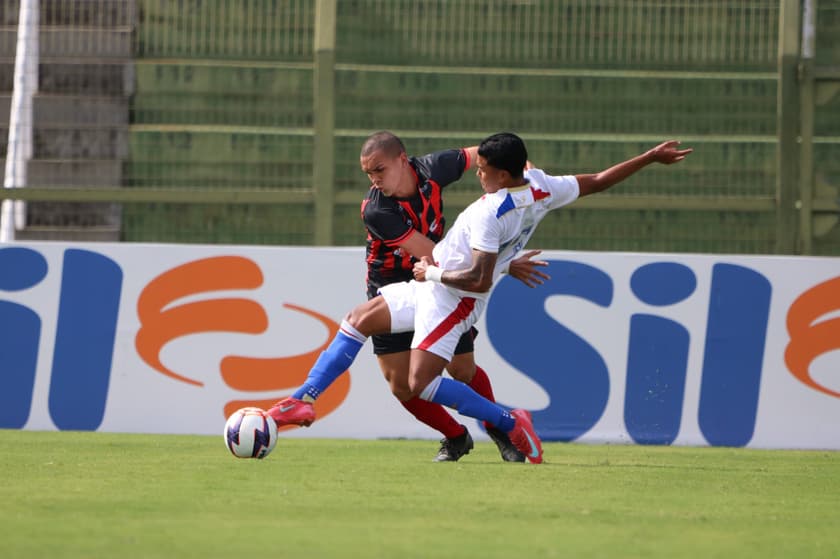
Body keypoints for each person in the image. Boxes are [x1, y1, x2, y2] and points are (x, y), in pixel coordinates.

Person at [269, 133, 693, 464]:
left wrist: (440, 270)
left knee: (424, 381)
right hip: (431, 283)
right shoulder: (542, 186)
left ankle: (508, 423)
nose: (478, 173)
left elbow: (474, 275)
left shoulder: (491, 212)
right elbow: (596, 181)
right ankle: (303, 401)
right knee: (359, 321)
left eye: (486, 169)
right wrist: (649, 158)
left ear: (504, 176)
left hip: (451, 293)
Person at [357, 131, 548, 462]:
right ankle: (456, 437)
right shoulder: (377, 210)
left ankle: (502, 431)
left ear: (402, 160)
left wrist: (522, 172)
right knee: (403, 385)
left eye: (379, 170)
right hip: (392, 281)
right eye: (368, 174)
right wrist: (501, 265)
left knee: (463, 369)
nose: (374, 180)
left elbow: (485, 155)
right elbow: (429, 253)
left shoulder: (435, 167)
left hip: (439, 279)